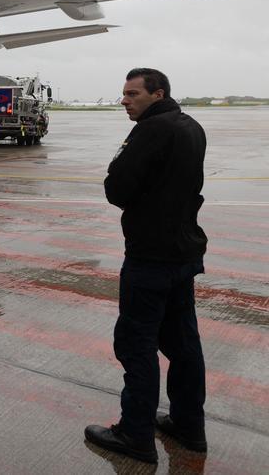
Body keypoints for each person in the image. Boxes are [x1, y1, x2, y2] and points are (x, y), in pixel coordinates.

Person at [85, 68, 208, 463]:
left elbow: (116, 188)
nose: (124, 100)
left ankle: (135, 434)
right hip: (183, 253)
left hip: (151, 257)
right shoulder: (191, 125)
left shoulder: (152, 130)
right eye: (123, 93)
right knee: (183, 344)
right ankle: (189, 426)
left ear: (157, 94)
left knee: (136, 346)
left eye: (132, 93)